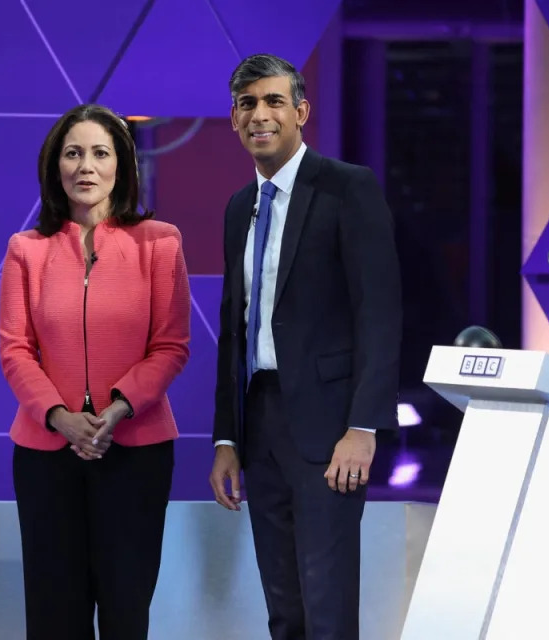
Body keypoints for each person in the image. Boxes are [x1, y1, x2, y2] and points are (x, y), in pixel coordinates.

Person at [209, 53, 402, 639]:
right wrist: (226, 436)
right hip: (261, 426)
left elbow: (380, 313)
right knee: (284, 609)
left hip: (330, 431)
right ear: (234, 120)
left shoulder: (347, 187)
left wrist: (364, 426)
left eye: (272, 101)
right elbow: (234, 328)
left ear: (301, 112)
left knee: (327, 608)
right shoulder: (239, 207)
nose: (260, 115)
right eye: (247, 104)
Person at [0, 103, 191, 639]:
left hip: (135, 450)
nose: (86, 165)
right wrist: (60, 416)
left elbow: (171, 346)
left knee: (126, 610)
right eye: (73, 153)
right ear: (55, 166)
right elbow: (15, 350)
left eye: (100, 153)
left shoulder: (160, 242)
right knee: (55, 612)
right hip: (46, 455)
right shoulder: (26, 250)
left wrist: (117, 409)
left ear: (121, 166)